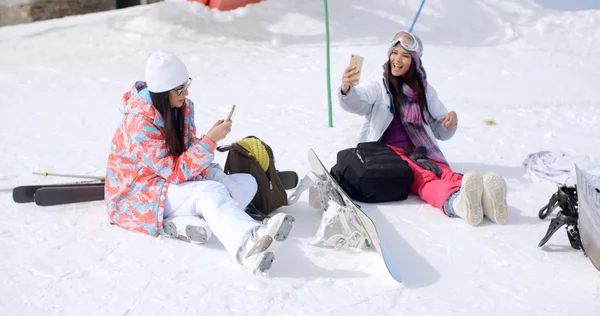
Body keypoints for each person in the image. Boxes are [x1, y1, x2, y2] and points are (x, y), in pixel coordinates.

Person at [104, 50, 295, 273]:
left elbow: (186, 152)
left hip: (167, 183)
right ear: (163, 93)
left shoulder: (179, 108)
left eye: (187, 85)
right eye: (180, 89)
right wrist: (209, 141)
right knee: (210, 192)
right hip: (141, 194)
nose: (186, 93)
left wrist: (212, 165)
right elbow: (174, 172)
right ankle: (247, 245)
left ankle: (206, 217)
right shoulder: (139, 124)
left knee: (246, 183)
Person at [337, 31, 508, 226]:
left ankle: (487, 201)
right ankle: (456, 203)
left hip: (422, 151)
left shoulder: (424, 90)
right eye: (394, 53)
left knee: (445, 172)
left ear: (414, 62)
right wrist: (346, 89)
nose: (397, 59)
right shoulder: (380, 85)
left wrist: (449, 122)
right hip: (389, 153)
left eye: (405, 55)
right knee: (423, 177)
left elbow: (439, 130)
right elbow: (357, 102)